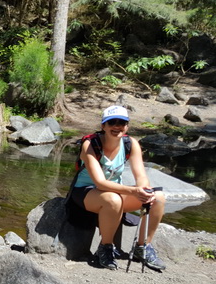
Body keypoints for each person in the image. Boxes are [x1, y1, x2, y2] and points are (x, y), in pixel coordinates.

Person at [69, 106, 166, 271]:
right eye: (111, 122)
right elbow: (99, 183)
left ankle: (142, 247)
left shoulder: (131, 144)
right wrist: (133, 191)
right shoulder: (90, 144)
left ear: (127, 126)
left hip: (117, 192)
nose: (117, 126)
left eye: (122, 122)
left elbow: (141, 176)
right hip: (86, 192)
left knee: (158, 197)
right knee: (113, 200)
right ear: (103, 126)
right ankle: (105, 247)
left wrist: (144, 190)